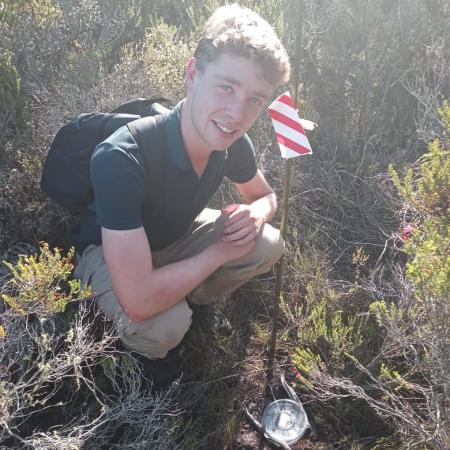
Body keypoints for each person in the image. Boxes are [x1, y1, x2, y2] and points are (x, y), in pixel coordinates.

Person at [73, 4, 291, 385]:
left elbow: (266, 196)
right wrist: (220, 251)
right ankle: (139, 354)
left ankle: (186, 295)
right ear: (193, 74)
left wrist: (256, 214)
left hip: (172, 238)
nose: (237, 114)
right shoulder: (123, 156)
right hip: (107, 255)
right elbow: (138, 300)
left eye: (255, 99)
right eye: (226, 87)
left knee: (268, 242)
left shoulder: (231, 142)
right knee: (162, 325)